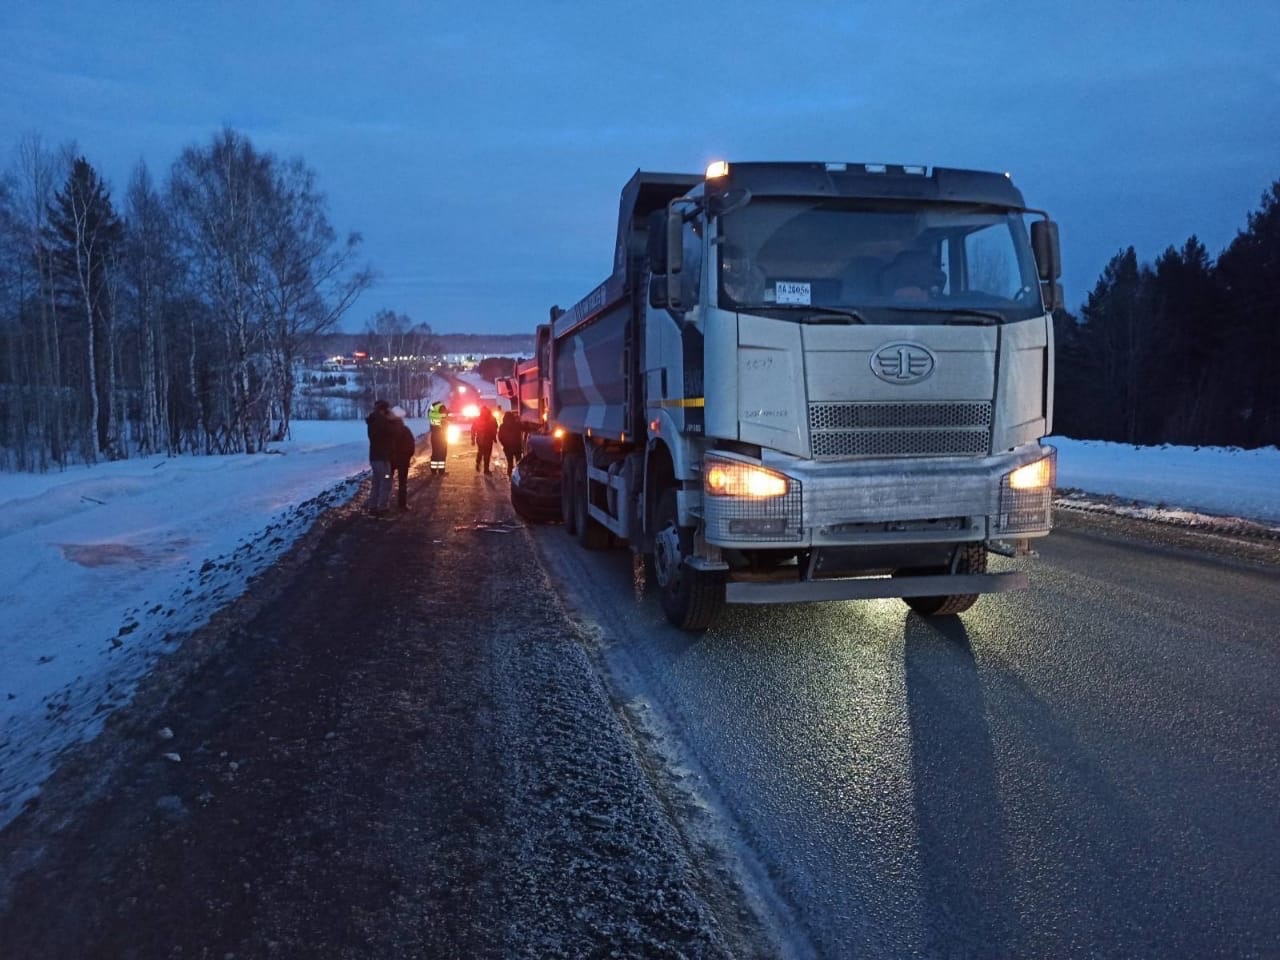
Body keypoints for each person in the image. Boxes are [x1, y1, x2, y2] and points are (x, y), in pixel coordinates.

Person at [365, 399, 396, 515]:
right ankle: (383, 507)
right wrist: (392, 420)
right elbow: (392, 431)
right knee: (386, 480)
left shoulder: (373, 420)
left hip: (375, 457)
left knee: (377, 482)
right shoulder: (381, 421)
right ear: (383, 409)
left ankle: (372, 506)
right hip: (382, 458)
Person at [389, 406, 416, 512]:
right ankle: (402, 504)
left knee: (387, 480)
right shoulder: (405, 430)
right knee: (402, 482)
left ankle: (385, 503)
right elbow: (411, 445)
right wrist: (408, 456)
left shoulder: (389, 432)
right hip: (403, 462)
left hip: (391, 461)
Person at [472, 405, 499, 474]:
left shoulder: (477, 419)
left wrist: (473, 439)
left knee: (480, 452)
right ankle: (486, 470)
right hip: (488, 439)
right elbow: (495, 428)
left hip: (480, 439)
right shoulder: (492, 419)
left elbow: (473, 429)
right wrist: (494, 438)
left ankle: (478, 464)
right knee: (487, 454)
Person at [498, 410, 523, 477]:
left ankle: (510, 476)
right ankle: (518, 476)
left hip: (508, 448)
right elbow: (524, 428)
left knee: (510, 464)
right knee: (519, 463)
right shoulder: (516, 425)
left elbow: (500, 437)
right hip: (517, 447)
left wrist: (505, 444)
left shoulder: (502, 426)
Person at [428, 400, 450, 476]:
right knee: (442, 453)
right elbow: (445, 417)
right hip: (441, 436)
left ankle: (434, 470)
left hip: (434, 436)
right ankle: (441, 471)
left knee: (435, 452)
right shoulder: (441, 410)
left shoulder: (432, 412)